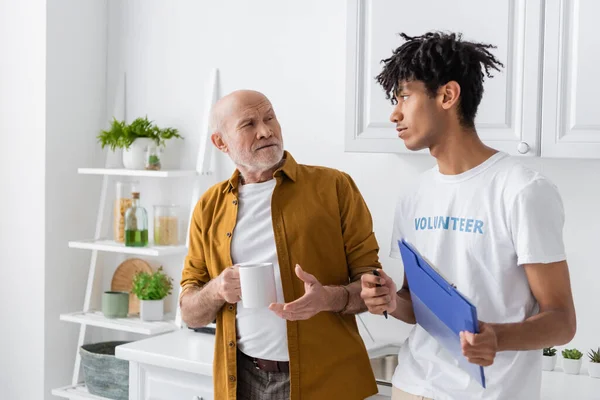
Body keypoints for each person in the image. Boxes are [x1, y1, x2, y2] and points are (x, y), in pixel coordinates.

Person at [360, 32, 577, 400]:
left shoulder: (523, 190)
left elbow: (562, 321)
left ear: (447, 95)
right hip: (412, 386)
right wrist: (391, 301)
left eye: (404, 96)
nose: (394, 114)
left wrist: (497, 337)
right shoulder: (414, 194)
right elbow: (419, 308)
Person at [179, 89, 379, 400]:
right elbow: (190, 313)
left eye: (270, 117)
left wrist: (328, 298)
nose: (266, 130)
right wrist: (218, 288)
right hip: (242, 382)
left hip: (326, 382)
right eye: (248, 124)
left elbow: (372, 287)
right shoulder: (209, 206)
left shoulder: (335, 187)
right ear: (221, 142)